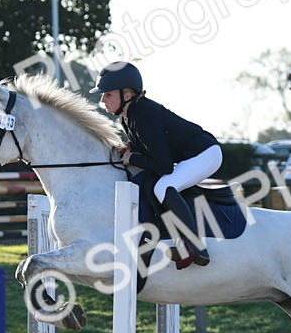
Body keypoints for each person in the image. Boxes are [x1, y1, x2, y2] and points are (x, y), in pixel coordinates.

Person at [91, 61, 222, 269]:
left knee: (164, 186)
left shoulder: (144, 114)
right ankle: (182, 243)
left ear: (127, 95)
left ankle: (196, 246)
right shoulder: (129, 117)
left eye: (108, 95)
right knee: (158, 185)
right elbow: (147, 146)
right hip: (192, 154)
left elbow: (164, 166)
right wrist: (130, 147)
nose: (103, 100)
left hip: (205, 154)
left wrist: (132, 158)